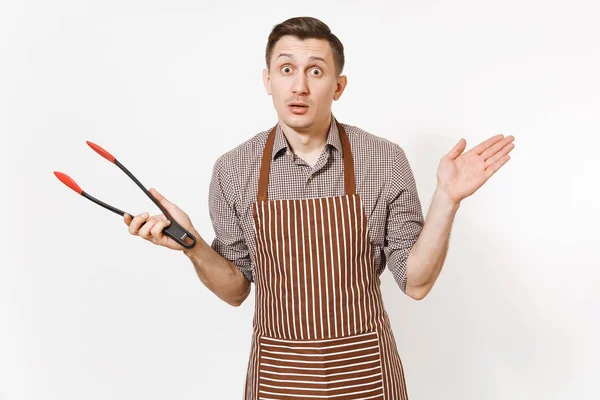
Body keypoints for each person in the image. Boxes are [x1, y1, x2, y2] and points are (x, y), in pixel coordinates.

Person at [124, 16, 515, 400]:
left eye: (315, 71)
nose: (299, 86)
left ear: (338, 86)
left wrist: (446, 199)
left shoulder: (383, 160)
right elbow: (236, 289)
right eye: (286, 69)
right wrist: (192, 245)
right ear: (268, 80)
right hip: (278, 379)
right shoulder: (233, 169)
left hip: (365, 378)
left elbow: (416, 283)